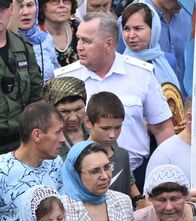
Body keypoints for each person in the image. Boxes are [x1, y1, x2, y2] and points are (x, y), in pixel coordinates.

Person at [55, 13, 173, 175]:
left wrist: (166, 173)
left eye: (86, 41)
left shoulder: (141, 74)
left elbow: (162, 128)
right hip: (81, 176)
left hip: (135, 171)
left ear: (109, 44)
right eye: (79, 39)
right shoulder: (65, 78)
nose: (79, 47)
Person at [0, 101, 65, 221]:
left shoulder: (56, 163)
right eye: (57, 132)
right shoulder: (2, 170)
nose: (62, 139)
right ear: (37, 135)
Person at [60, 139, 134, 221]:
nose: (105, 176)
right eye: (95, 171)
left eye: (107, 167)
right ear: (76, 174)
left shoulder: (123, 201)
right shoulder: (62, 208)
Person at [0, 0, 43, 155]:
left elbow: (35, 96)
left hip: (21, 144)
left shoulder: (23, 48)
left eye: (2, 8)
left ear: (11, 9)